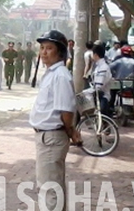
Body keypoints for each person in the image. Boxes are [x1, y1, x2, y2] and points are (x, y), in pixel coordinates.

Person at [29, 30, 81, 211]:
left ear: (59, 51)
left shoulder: (60, 75)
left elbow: (66, 110)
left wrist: (70, 130)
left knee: (49, 189)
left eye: (49, 48)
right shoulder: (52, 73)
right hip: (46, 137)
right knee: (51, 187)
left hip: (51, 137)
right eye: (42, 48)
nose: (44, 52)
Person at [91, 43, 113, 117]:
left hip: (103, 97)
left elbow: (99, 85)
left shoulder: (103, 67)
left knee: (103, 119)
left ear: (96, 55)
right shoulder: (99, 67)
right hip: (100, 96)